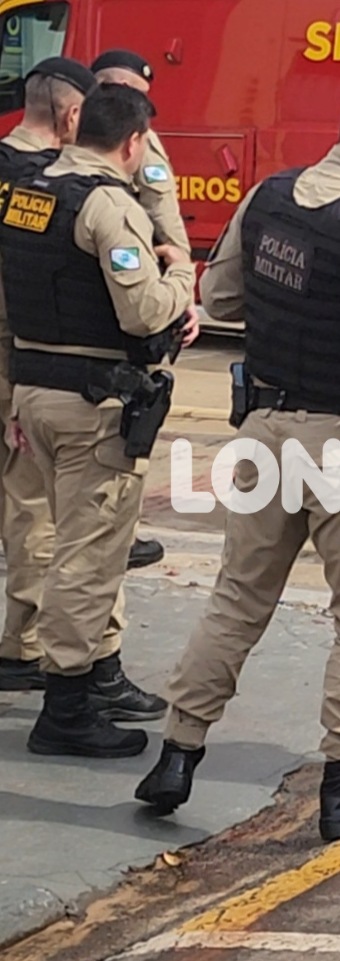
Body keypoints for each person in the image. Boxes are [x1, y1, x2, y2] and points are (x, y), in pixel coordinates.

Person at [135, 68, 340, 842]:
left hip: (263, 434)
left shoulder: (269, 196)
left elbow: (226, 297)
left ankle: (177, 755)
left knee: (237, 598)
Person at [0, 83, 197, 757]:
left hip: (35, 391)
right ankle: (67, 708)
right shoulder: (107, 204)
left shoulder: (30, 190)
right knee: (87, 556)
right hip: (93, 404)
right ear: (134, 143)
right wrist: (181, 279)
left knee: (73, 541)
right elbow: (144, 311)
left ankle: (100, 675)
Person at [0, 57, 97, 693]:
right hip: (21, 353)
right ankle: (23, 642)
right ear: (70, 115)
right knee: (30, 502)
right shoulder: (44, 181)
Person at [92, 48, 191, 570]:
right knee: (125, 430)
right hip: (126, 298)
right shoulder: (135, 143)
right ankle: (119, 538)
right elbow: (163, 219)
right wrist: (181, 284)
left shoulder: (67, 138)